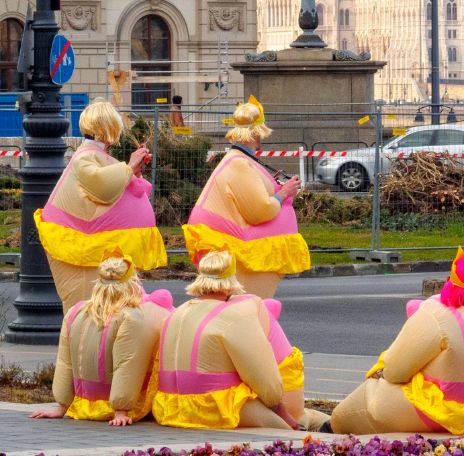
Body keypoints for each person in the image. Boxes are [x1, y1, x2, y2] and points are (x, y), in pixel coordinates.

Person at [329, 249, 464, 435]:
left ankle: (324, 427)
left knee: (350, 410)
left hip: (444, 415)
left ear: (450, 282)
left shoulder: (437, 314)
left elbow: (395, 371)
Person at [36, 100, 166, 313]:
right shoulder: (85, 157)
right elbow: (103, 188)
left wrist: (133, 170)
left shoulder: (96, 156)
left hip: (96, 251)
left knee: (99, 312)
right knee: (88, 311)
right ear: (107, 128)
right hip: (84, 254)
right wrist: (130, 166)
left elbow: (123, 186)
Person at [152, 248, 297, 430]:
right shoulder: (235, 314)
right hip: (214, 408)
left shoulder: (176, 313)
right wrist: (279, 408)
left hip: (168, 407)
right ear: (231, 281)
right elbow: (265, 381)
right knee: (282, 430)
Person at [183, 96, 309, 298]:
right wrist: (284, 192)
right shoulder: (239, 163)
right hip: (235, 250)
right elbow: (259, 212)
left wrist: (276, 189)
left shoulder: (240, 160)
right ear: (256, 134)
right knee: (240, 303)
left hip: (231, 245)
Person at [30, 250, 163, 425]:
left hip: (81, 404)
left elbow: (65, 362)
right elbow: (127, 364)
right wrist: (120, 411)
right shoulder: (132, 317)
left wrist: (61, 406)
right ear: (132, 284)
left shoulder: (76, 311)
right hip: (111, 406)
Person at [262, 298, 330, 430]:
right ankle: (329, 422)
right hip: (289, 377)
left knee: (295, 416)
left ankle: (302, 423)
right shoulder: (255, 308)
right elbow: (274, 305)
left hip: (275, 390)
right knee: (302, 413)